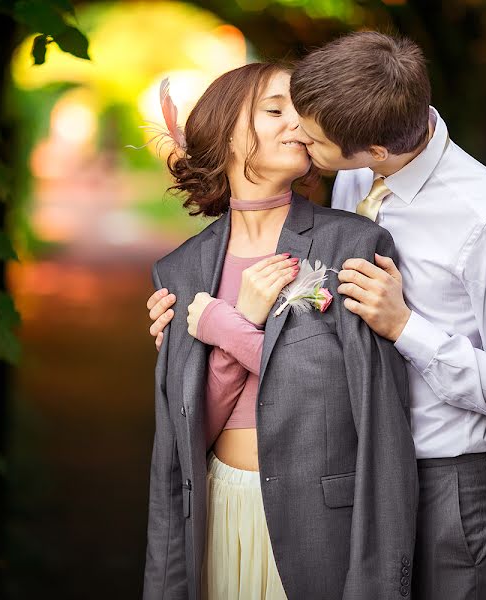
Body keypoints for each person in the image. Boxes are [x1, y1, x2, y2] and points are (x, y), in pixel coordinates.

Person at [147, 32, 486, 600]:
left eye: (310, 135)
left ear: (373, 150)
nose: (299, 135)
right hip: (346, 472)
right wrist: (186, 347)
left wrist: (405, 327)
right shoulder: (356, 177)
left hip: (445, 474)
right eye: (282, 113)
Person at [143, 63, 417, 600]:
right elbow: (188, 433)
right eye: (275, 110)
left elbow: (353, 400)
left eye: (303, 111)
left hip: (321, 522)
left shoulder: (353, 246)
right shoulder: (179, 271)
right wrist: (239, 324)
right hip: (218, 510)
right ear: (223, 131)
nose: (299, 124)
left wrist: (226, 326)